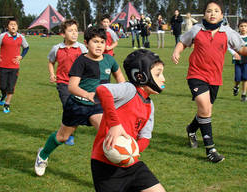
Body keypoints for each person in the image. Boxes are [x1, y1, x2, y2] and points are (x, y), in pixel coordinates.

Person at [34, 26, 125, 176]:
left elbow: (121, 80)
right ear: (86, 43)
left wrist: (123, 93)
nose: (99, 45)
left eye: (102, 42)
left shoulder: (109, 60)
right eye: (95, 42)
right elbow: (72, 87)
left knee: (107, 135)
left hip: (97, 107)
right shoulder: (81, 61)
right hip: (77, 105)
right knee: (62, 137)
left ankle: (115, 170)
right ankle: (43, 155)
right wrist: (87, 94)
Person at [171, 0, 247, 163]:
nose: (213, 13)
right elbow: (183, 41)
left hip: (215, 78)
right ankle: (210, 149)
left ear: (222, 15)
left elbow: (242, 49)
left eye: (216, 11)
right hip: (196, 74)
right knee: (204, 108)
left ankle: (191, 129)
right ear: (204, 14)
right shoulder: (196, 29)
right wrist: (177, 51)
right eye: (209, 11)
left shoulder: (228, 32)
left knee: (206, 110)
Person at [91, 49, 166, 192]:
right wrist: (115, 124)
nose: (163, 79)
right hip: (105, 165)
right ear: (141, 75)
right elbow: (102, 90)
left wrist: (132, 151)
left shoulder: (150, 105)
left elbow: (145, 137)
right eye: (158, 74)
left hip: (132, 164)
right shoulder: (129, 89)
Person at [47, 19, 88, 145]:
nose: (74, 33)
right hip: (63, 83)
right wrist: (52, 74)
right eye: (71, 31)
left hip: (78, 84)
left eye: (76, 30)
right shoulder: (56, 48)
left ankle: (68, 131)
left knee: (76, 108)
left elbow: (88, 63)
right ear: (63, 34)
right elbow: (51, 61)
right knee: (67, 107)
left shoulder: (81, 48)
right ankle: (67, 134)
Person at [0, 18, 29, 113]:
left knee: (11, 87)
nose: (13, 26)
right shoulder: (2, 36)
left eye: (15, 24)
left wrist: (21, 56)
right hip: (2, 66)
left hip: (14, 67)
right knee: (3, 86)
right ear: (7, 26)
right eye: (11, 24)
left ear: (17, 27)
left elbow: (26, 47)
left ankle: (7, 105)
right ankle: (3, 95)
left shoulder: (21, 37)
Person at [228, 19, 247, 102]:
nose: (243, 28)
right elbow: (229, 46)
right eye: (241, 26)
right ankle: (236, 86)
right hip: (237, 61)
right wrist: (234, 54)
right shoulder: (236, 37)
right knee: (238, 78)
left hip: (246, 61)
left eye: (245, 26)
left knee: (245, 78)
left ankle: (244, 94)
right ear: (238, 27)